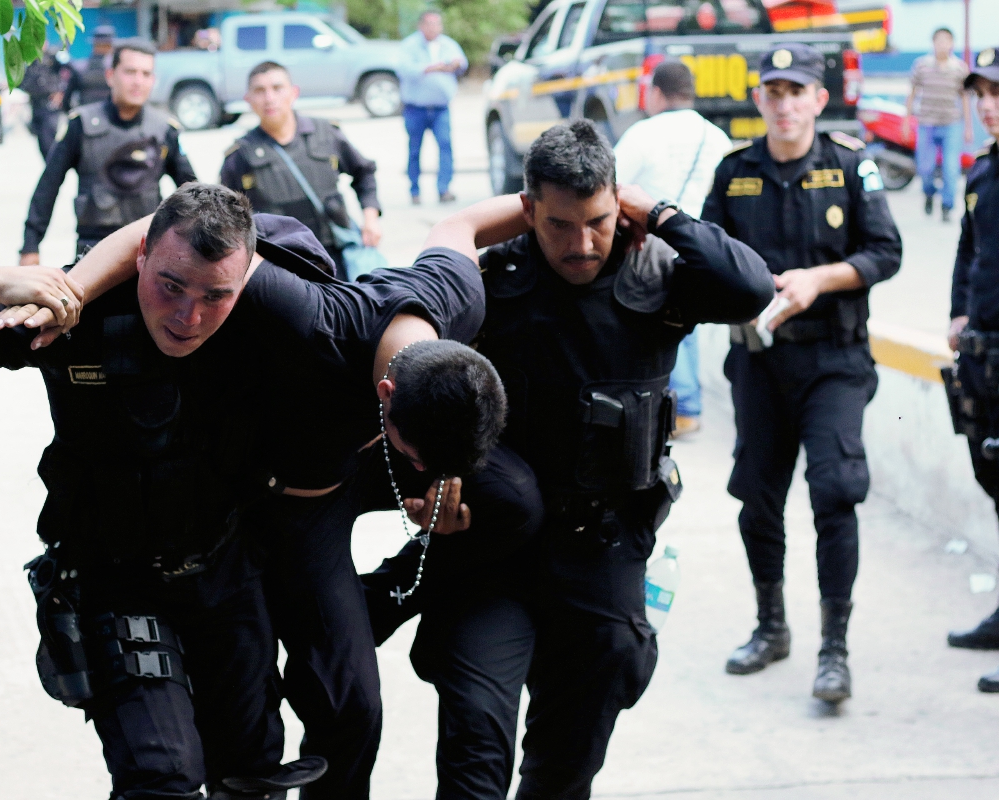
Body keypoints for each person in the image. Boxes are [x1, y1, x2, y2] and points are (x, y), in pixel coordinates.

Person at [18, 188, 515, 800]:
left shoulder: (452, 299)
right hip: (278, 504)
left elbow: (465, 221)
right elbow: (165, 227)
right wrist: (71, 292)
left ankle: (371, 605)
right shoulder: (304, 314)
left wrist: (620, 202)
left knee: (517, 501)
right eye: (417, 460)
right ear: (384, 399)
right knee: (338, 703)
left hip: (350, 472)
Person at [361, 120, 774, 800]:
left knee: (567, 764)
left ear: (621, 205)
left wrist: (658, 213)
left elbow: (750, 288)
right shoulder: (491, 278)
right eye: (559, 224)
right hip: (493, 551)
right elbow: (418, 380)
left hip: (601, 548)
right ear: (527, 210)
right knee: (474, 748)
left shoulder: (656, 276)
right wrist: (433, 481)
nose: (581, 244)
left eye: (599, 221)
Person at [0, 185, 328, 800]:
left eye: (213, 296)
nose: (188, 316)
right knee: (161, 778)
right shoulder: (72, 311)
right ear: (139, 256)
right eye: (170, 286)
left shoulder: (269, 311)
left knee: (252, 774)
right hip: (117, 580)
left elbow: (381, 346)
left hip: (226, 575)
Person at [703, 44, 902, 702]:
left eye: (797, 92)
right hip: (760, 361)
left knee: (835, 490)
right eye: (774, 91)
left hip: (834, 360)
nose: (784, 104)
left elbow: (885, 251)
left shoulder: (849, 165)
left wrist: (820, 279)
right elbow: (706, 257)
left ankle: (834, 648)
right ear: (758, 99)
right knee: (757, 497)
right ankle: (771, 626)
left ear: (819, 99)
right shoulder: (734, 173)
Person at [614, 59, 732, 437]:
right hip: (703, 244)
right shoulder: (716, 137)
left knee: (663, 322)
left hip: (656, 246)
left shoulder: (643, 134)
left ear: (656, 93)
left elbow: (610, 182)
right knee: (687, 321)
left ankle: (681, 407)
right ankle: (688, 406)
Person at [20, 38, 196, 264]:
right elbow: (48, 186)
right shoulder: (81, 125)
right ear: (110, 76)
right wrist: (30, 246)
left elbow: (193, 193)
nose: (138, 81)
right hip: (93, 250)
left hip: (148, 251)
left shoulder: (165, 130)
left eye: (145, 74)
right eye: (130, 72)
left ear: (153, 80)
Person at [944, 48, 999, 693]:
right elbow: (969, 250)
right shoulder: (983, 170)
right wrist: (958, 312)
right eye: (980, 94)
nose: (987, 105)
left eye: (996, 93)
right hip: (986, 358)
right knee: (995, 484)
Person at [220, 61, 382, 280]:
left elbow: (364, 173)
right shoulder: (240, 154)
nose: (269, 98)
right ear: (248, 99)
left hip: (334, 255)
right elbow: (225, 214)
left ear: (293, 93)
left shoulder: (325, 133)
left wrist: (370, 219)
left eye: (277, 88)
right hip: (281, 267)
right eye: (260, 91)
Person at [397, 11, 467, 205]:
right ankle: (414, 190)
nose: (433, 28)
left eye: (437, 24)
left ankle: (444, 188)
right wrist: (432, 68)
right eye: (429, 24)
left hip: (440, 108)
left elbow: (462, 63)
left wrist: (456, 64)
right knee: (414, 149)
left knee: (445, 146)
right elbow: (405, 70)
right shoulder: (409, 46)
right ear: (421, 26)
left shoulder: (448, 44)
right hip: (416, 108)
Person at [904, 27, 972, 221]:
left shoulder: (959, 68)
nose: (942, 45)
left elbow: (965, 98)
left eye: (946, 41)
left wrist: (968, 127)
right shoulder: (922, 66)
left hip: (952, 124)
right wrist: (906, 121)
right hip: (927, 124)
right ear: (933, 43)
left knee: (951, 169)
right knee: (925, 168)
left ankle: (947, 206)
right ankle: (929, 192)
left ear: (952, 44)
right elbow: (912, 93)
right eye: (939, 40)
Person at [19, 42, 67, 160]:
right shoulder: (30, 61)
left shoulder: (52, 58)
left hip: (50, 108)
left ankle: (54, 168)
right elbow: (24, 83)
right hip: (36, 108)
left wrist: (61, 92)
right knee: (42, 145)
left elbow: (68, 73)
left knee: (49, 144)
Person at [62, 25, 116, 110]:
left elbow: (66, 100)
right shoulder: (116, 68)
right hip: (108, 115)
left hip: (86, 114)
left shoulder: (79, 67)